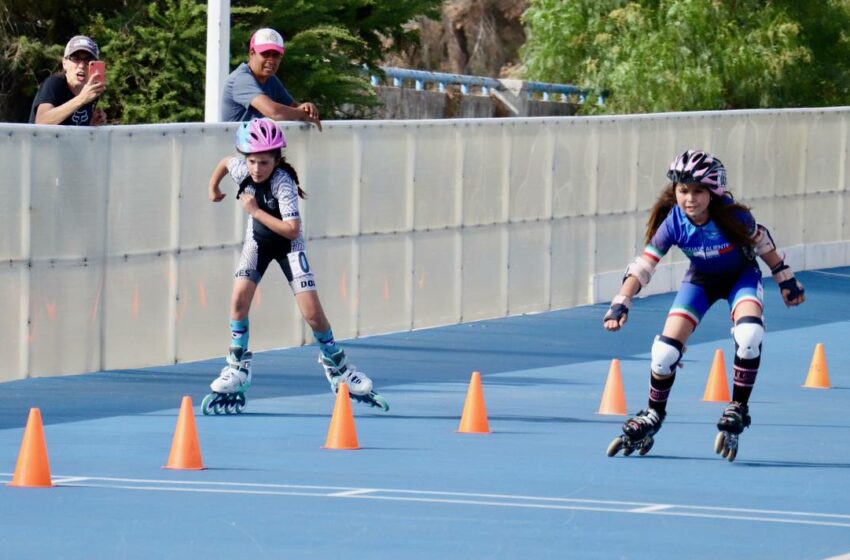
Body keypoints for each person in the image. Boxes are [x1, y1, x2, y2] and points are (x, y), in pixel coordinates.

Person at [603, 149, 805, 460]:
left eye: (698, 191)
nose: (690, 199)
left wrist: (784, 277)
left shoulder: (733, 217)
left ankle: (738, 405)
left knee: (749, 335)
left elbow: (761, 242)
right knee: (664, 352)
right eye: (683, 191)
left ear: (713, 192)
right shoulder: (673, 222)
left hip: (741, 276)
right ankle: (654, 415)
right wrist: (622, 300)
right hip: (701, 280)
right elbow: (645, 264)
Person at [203, 117, 386, 414]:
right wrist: (213, 188)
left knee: (313, 314)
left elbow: (291, 230)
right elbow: (225, 162)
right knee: (238, 301)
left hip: (289, 246)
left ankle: (337, 364)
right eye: (251, 161)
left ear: (276, 159)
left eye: (264, 162)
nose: (256, 169)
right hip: (258, 244)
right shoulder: (242, 168)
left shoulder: (282, 183)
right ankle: (237, 366)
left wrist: (254, 211)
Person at [221, 28, 321, 129]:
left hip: (257, 143)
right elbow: (274, 112)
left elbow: (293, 107)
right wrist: (302, 113)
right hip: (235, 144)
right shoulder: (241, 79)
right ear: (252, 53)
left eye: (276, 55)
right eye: (265, 54)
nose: (271, 60)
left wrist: (306, 107)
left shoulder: (271, 79)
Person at [29, 35, 107, 126]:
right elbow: (41, 121)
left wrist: (90, 125)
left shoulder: (91, 92)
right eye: (75, 58)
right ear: (64, 63)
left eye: (88, 60)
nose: (82, 66)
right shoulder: (54, 84)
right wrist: (81, 98)